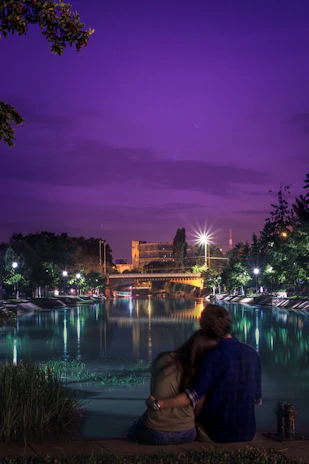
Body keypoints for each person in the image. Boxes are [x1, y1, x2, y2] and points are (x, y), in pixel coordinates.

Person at [146, 304, 262, 443]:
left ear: (205, 327)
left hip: (216, 433)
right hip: (247, 432)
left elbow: (192, 397)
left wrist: (159, 404)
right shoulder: (252, 353)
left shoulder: (214, 355)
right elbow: (256, 399)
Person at [127, 329, 219, 445]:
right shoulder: (202, 368)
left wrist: (156, 404)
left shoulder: (164, 359)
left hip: (155, 432)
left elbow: (154, 393)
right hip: (187, 434)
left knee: (133, 429)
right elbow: (199, 404)